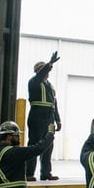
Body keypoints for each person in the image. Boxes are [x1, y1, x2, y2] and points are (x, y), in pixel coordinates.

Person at [26, 52, 62, 181]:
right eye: (44, 70)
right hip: (37, 115)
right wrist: (50, 63)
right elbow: (41, 74)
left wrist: (58, 120)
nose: (47, 72)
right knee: (34, 143)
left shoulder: (50, 86)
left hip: (49, 117)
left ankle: (46, 173)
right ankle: (29, 173)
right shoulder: (34, 82)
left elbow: (54, 104)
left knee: (49, 144)